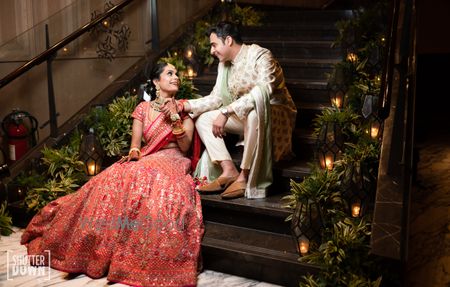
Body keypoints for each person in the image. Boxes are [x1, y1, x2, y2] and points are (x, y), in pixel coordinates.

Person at [20, 62, 204, 287]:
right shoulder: (143, 109)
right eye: (170, 73)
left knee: (150, 179)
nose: (176, 76)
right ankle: (95, 245)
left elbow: (185, 147)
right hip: (147, 158)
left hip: (174, 159)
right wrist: (134, 154)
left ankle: (137, 256)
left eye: (177, 73)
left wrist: (175, 116)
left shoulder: (184, 108)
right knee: (112, 176)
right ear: (156, 82)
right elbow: (135, 146)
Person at [181, 21, 297, 199]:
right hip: (244, 115)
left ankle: (244, 176)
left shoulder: (261, 56)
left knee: (254, 113)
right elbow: (217, 97)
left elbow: (264, 90)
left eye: (214, 45)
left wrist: (226, 112)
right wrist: (185, 105)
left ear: (228, 40)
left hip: (274, 116)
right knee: (204, 119)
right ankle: (229, 170)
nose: (212, 51)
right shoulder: (225, 64)